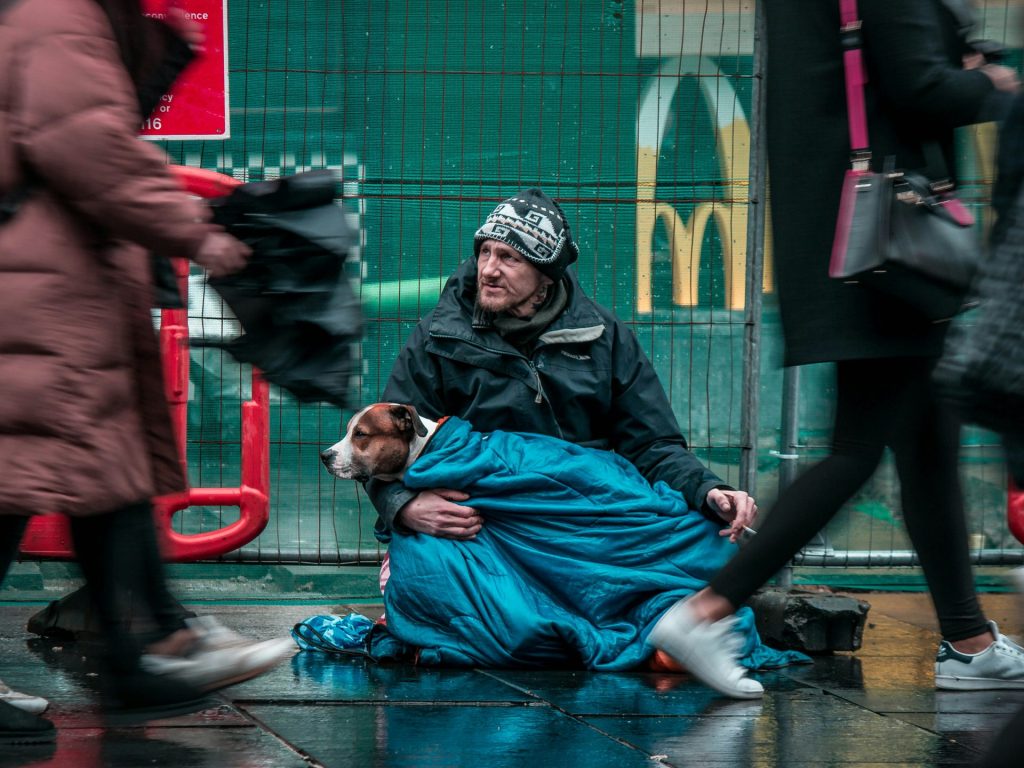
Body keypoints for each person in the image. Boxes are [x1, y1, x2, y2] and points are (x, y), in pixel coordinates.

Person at [647, 0, 1023, 699]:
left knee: (926, 441)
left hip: (853, 234)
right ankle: (706, 610)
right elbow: (919, 87)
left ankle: (970, 644)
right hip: (891, 239)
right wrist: (997, 88)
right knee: (858, 447)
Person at [362, 188, 809, 679]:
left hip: (583, 520)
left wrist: (709, 490)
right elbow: (387, 447)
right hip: (489, 524)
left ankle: (593, 628)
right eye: (485, 252)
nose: (488, 268)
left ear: (545, 274)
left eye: (508, 257)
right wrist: (403, 505)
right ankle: (627, 634)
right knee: (424, 565)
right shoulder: (436, 338)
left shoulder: (605, 336)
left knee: (707, 543)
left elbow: (653, 445)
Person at [0, 0, 286, 742]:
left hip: (52, 285)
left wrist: (154, 49)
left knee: (90, 475)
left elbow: (90, 116)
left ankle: (147, 651)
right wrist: (198, 233)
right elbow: (86, 142)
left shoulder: (62, 15)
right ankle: (148, 652)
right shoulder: (58, 10)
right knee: (63, 474)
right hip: (41, 290)